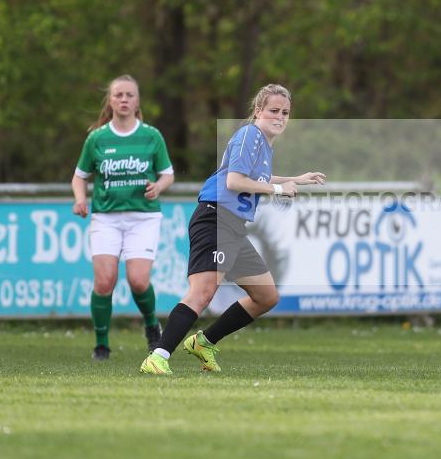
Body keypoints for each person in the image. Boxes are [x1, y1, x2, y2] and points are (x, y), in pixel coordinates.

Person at [140, 83, 325, 375]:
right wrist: (278, 188)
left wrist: (296, 178)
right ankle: (158, 356)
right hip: (215, 218)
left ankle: (204, 342)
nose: (280, 117)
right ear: (258, 111)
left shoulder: (262, 142)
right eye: (273, 110)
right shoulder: (250, 134)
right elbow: (234, 182)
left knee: (266, 296)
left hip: (233, 226)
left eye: (285, 112)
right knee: (202, 293)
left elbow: (256, 175)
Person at [72, 75, 175, 360]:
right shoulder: (97, 138)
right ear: (110, 100)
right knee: (105, 281)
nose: (124, 100)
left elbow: (167, 173)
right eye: (119, 95)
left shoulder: (151, 136)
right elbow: (79, 177)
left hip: (143, 218)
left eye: (130, 95)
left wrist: (159, 186)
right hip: (106, 218)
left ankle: (152, 326)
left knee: (138, 281)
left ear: (137, 101)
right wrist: (81, 200)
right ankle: (101, 344)